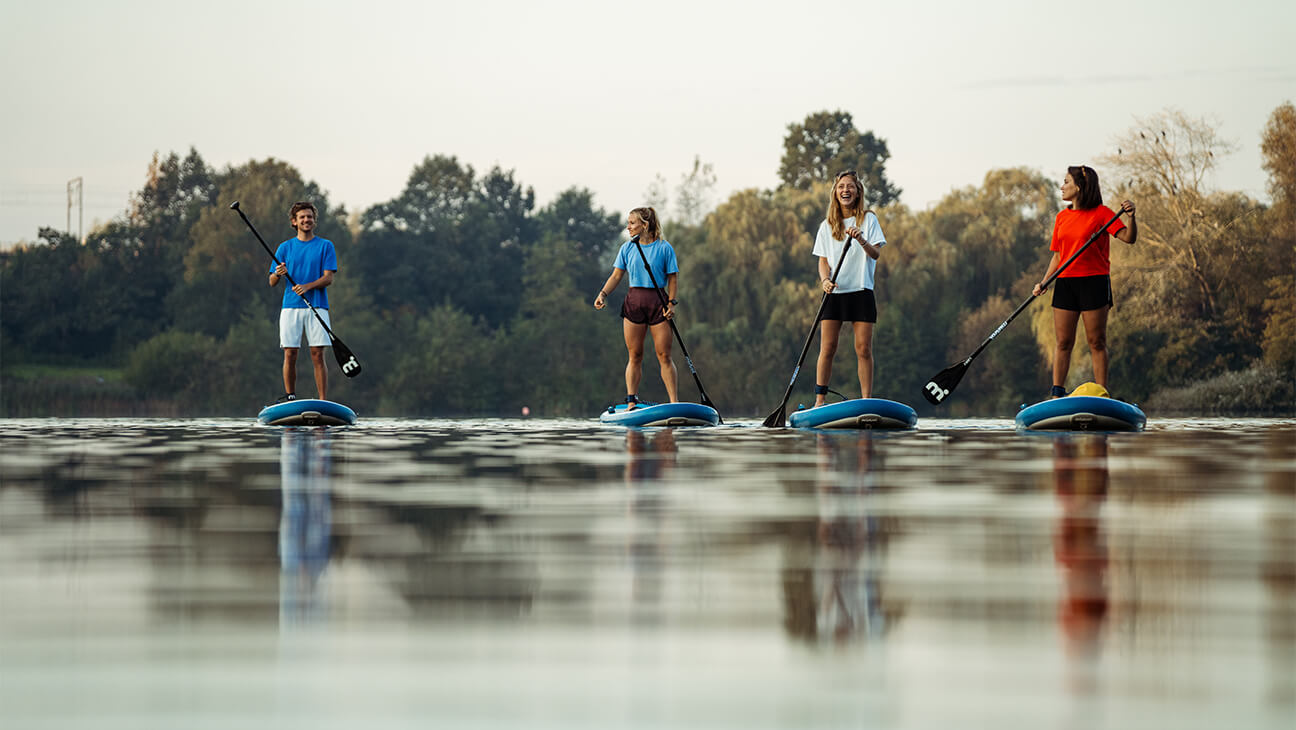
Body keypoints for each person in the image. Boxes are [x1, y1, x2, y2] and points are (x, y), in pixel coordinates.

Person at [1031, 166, 1137, 397]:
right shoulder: (1061, 217)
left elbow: (1129, 238)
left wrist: (1132, 217)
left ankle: (1102, 393)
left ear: (1079, 187)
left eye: (1066, 182)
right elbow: (1058, 256)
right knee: (1063, 342)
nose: (1062, 186)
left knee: (1096, 341)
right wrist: (1045, 282)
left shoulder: (1103, 213)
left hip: (1094, 282)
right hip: (1066, 284)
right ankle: (1057, 393)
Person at [813, 170, 887, 407]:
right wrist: (825, 281)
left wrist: (861, 239)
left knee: (863, 348)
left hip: (861, 290)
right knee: (828, 348)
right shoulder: (827, 225)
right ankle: (820, 400)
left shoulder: (868, 219)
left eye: (850, 187)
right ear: (835, 192)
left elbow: (876, 253)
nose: (845, 190)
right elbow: (823, 260)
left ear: (857, 192)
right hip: (834, 292)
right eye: (841, 186)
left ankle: (866, 400)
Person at [593, 207, 679, 409]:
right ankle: (632, 400)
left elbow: (673, 278)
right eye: (628, 222)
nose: (628, 227)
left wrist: (671, 303)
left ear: (645, 224)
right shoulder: (627, 248)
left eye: (632, 223)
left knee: (664, 356)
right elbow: (616, 276)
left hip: (658, 303)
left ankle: (675, 402)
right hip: (634, 303)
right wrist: (603, 294)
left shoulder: (664, 248)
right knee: (635, 355)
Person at [268, 201, 337, 402]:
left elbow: (328, 278)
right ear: (294, 222)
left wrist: (307, 286)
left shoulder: (325, 246)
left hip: (317, 306)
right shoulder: (284, 248)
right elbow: (271, 281)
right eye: (302, 217)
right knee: (290, 354)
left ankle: (323, 400)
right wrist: (279, 274)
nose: (306, 220)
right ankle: (290, 396)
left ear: (314, 221)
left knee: (317, 354)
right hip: (290, 308)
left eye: (310, 216)